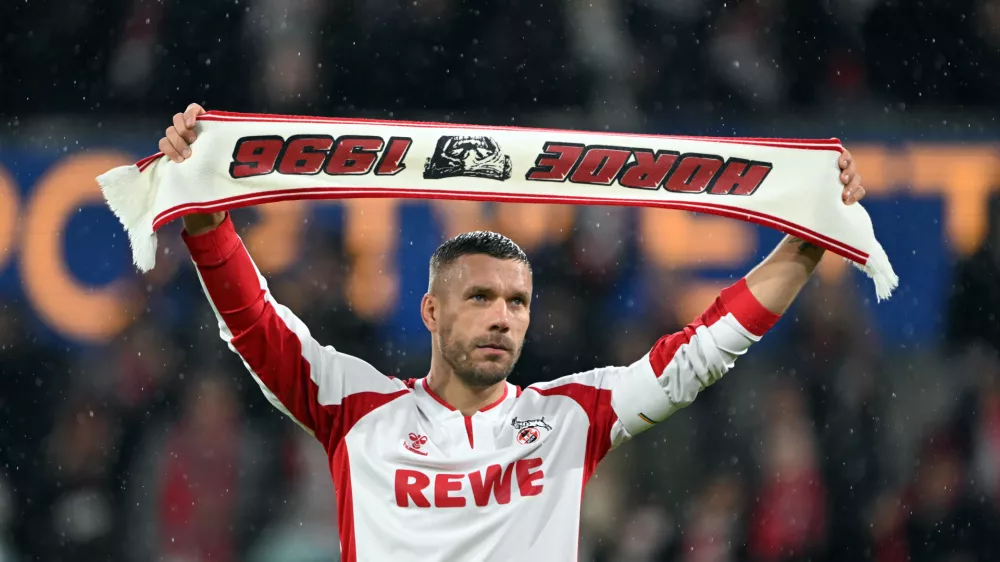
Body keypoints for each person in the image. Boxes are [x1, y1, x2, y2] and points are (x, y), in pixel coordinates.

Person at [159, 102, 867, 561]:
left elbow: (701, 352)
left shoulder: (565, 418)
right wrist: (202, 213)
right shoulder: (356, 409)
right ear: (431, 312)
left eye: (518, 302)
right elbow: (253, 323)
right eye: (480, 297)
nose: (503, 315)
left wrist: (806, 242)